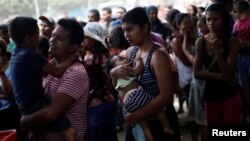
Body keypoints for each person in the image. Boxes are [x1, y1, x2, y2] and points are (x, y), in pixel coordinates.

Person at [110, 7, 181, 141]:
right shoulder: (131, 52)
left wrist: (137, 115)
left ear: (145, 28)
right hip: (136, 122)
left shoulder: (157, 56)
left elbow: (166, 96)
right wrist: (114, 74)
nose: (126, 35)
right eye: (124, 30)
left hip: (158, 123)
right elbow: (121, 87)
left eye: (130, 29)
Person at [9, 17, 78, 141]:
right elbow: (56, 72)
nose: (40, 37)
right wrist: (72, 57)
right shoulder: (31, 54)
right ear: (29, 39)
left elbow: (45, 69)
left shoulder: (16, 54)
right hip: (37, 105)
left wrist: (55, 60)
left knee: (36, 136)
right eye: (37, 34)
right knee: (70, 133)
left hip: (24, 107)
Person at [194, 2, 243, 126]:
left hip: (230, 94)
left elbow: (229, 72)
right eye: (208, 19)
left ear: (224, 20)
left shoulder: (233, 42)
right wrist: (220, 77)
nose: (211, 23)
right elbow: (197, 73)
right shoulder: (200, 42)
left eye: (215, 19)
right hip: (210, 96)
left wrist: (217, 50)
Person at [107, 55, 174, 141]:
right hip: (136, 95)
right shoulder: (128, 71)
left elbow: (114, 86)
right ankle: (166, 126)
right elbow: (138, 70)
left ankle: (148, 135)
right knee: (158, 109)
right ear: (117, 67)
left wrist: (112, 74)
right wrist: (139, 60)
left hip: (127, 104)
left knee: (142, 123)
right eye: (121, 59)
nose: (126, 59)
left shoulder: (117, 79)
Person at [81, 22, 118, 141]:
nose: (84, 39)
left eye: (86, 37)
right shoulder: (103, 55)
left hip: (96, 105)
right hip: (109, 101)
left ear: (94, 39)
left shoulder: (94, 59)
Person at [232, 0, 250, 122]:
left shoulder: (236, 25)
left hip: (240, 59)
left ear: (237, 12)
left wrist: (241, 44)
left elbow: (233, 39)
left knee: (246, 87)